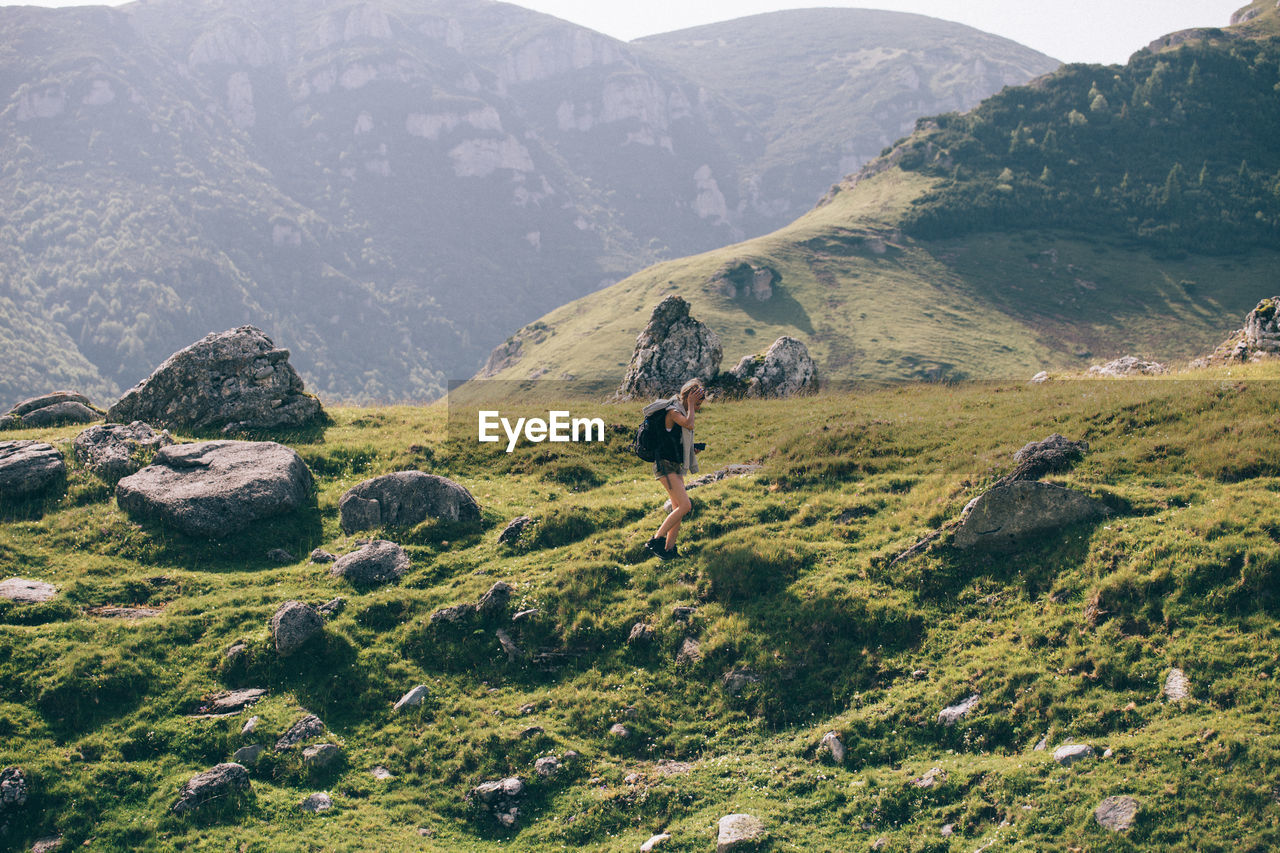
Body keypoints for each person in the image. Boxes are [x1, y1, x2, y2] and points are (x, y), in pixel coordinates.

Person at [645, 378, 706, 560]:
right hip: (664, 465)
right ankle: (656, 540)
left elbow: (675, 439)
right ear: (689, 398)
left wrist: (691, 449)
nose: (699, 406)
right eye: (698, 402)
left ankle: (669, 550)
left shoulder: (680, 412)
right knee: (686, 506)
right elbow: (689, 424)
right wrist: (691, 406)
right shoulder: (673, 411)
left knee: (678, 506)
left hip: (674, 464)